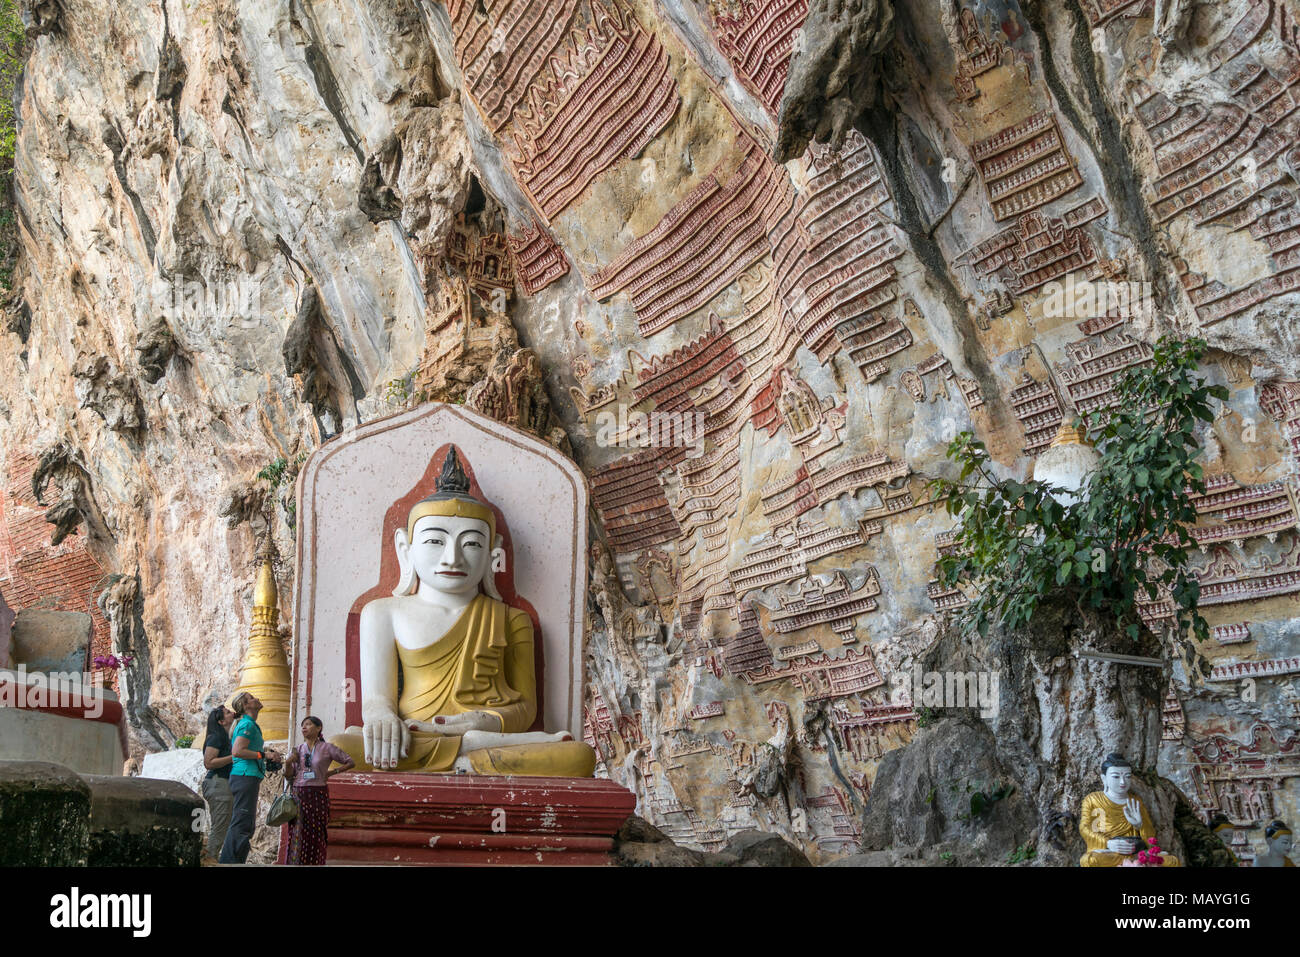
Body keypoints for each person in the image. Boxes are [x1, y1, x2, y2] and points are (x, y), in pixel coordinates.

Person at [218, 691, 282, 864]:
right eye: (252, 698)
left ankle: (235, 861)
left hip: (246, 777)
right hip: (245, 777)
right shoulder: (247, 725)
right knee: (242, 823)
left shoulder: (249, 724)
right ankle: (230, 862)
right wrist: (264, 756)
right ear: (246, 706)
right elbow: (238, 751)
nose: (257, 699)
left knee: (245, 823)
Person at [284, 716, 353, 865]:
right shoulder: (297, 749)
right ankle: (295, 862)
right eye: (302, 725)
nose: (304, 727)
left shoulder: (327, 748)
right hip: (299, 793)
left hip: (318, 794)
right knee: (297, 829)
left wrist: (331, 772)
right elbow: (289, 775)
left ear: (318, 728)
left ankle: (315, 862)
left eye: (308, 724)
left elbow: (350, 762)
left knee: (317, 831)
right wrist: (288, 763)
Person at [201, 702, 236, 862]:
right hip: (217, 782)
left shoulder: (225, 736)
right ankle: (209, 859)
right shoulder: (216, 737)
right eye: (228, 712)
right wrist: (234, 757)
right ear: (221, 721)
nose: (231, 713)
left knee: (223, 824)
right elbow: (209, 762)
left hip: (222, 783)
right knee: (220, 826)